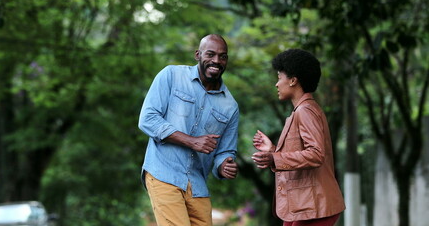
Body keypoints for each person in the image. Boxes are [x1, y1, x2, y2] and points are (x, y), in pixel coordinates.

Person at [138, 34, 239, 226]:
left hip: (197, 185)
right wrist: (192, 141)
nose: (216, 61)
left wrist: (224, 165)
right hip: (163, 172)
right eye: (210, 54)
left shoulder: (230, 106)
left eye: (222, 56)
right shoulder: (171, 75)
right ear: (197, 55)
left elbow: (225, 150)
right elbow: (148, 119)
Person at [251, 49, 345, 226]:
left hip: (315, 204)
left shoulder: (305, 111)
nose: (276, 84)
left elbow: (316, 154)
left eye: (279, 77)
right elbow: (303, 152)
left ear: (293, 80)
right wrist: (272, 150)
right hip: (306, 204)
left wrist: (274, 158)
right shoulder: (303, 110)